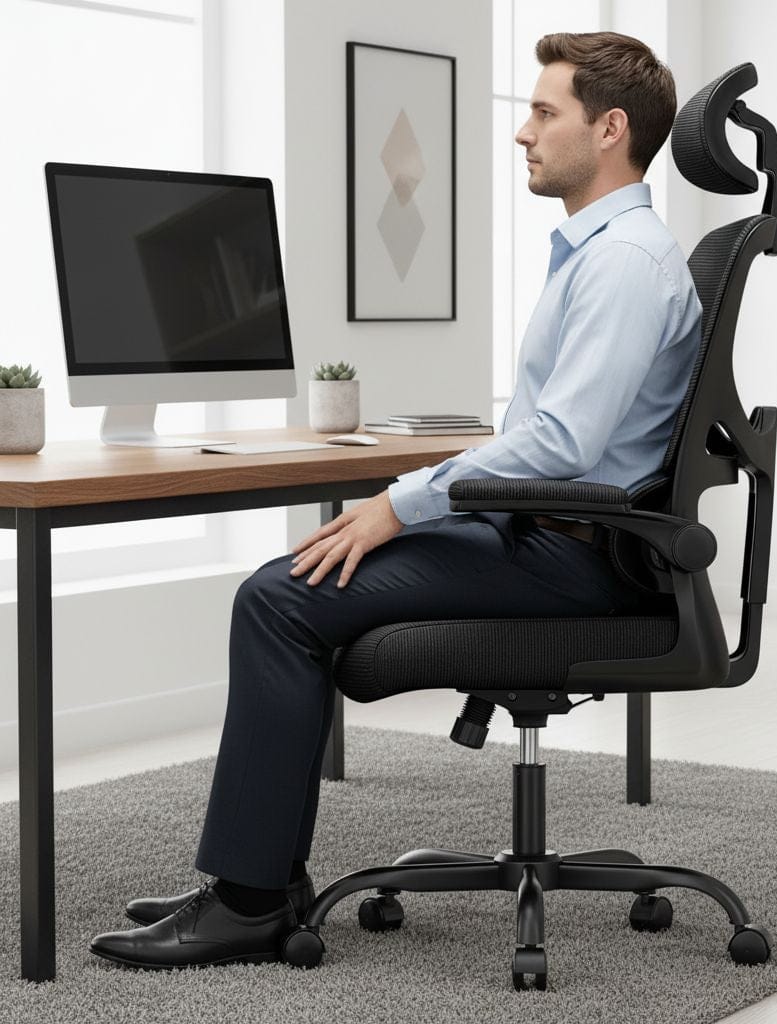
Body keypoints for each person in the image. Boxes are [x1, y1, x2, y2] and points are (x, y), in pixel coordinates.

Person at [88, 29, 701, 970]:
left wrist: (400, 503)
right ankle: (260, 878)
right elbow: (550, 433)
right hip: (561, 535)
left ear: (610, 129)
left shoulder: (623, 264)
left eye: (544, 113)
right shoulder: (606, 251)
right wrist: (429, 491)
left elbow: (563, 444)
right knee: (298, 584)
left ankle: (250, 900)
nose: (523, 133)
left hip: (579, 556)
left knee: (279, 597)